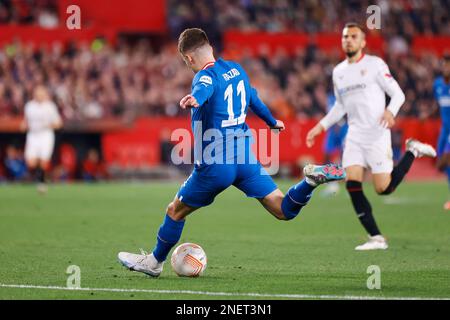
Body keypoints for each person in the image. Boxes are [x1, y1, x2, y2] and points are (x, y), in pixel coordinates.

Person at [118, 28, 345, 277]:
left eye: (186, 61)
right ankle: (310, 182)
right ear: (210, 47)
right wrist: (271, 122)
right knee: (282, 209)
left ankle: (154, 263)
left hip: (216, 164)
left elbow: (205, 86)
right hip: (245, 157)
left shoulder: (203, 76)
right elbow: (253, 99)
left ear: (189, 59)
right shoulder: (237, 70)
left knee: (175, 210)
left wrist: (196, 98)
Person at [306, 23, 436, 251]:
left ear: (363, 42)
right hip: (355, 135)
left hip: (377, 133)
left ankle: (412, 150)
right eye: (345, 36)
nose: (348, 40)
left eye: (353, 36)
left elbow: (398, 94)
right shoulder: (338, 72)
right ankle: (376, 237)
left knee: (383, 189)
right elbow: (339, 106)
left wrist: (390, 111)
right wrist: (320, 126)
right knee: (352, 183)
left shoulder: (375, 65)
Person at [22, 85, 62, 193]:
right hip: (33, 136)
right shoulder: (29, 106)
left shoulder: (50, 106)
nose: (39, 95)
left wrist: (47, 125)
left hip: (46, 135)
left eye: (41, 93)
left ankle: (41, 183)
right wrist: (24, 125)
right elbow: (25, 121)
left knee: (44, 161)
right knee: (31, 162)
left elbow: (58, 123)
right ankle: (44, 177)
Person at [433, 54, 450, 210]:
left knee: (445, 160)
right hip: (444, 130)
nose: (446, 68)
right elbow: (438, 105)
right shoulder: (437, 84)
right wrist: (427, 114)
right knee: (440, 165)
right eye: (444, 65)